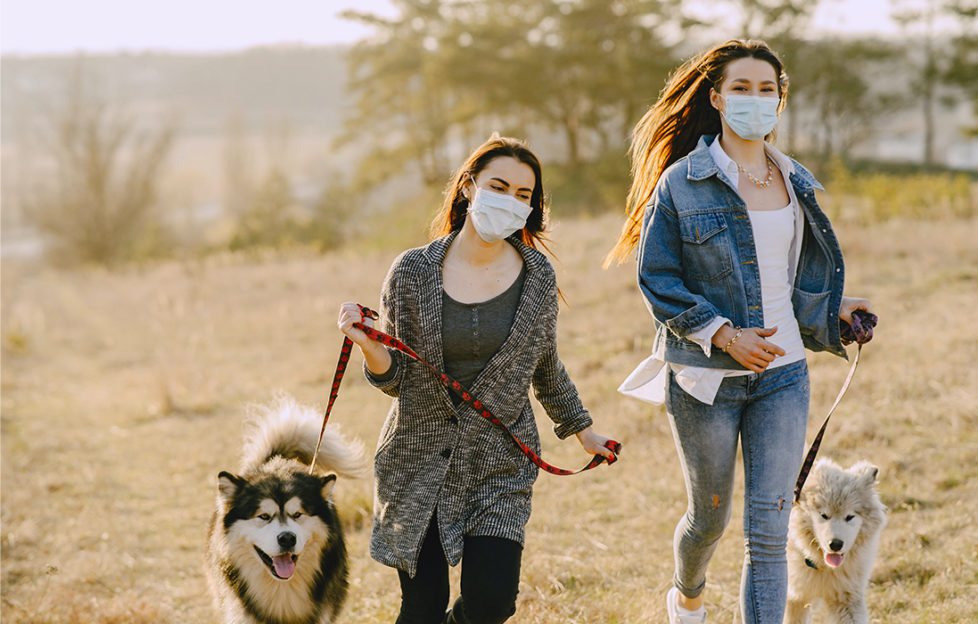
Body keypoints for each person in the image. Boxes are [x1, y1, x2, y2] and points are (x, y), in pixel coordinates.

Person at [607, 40, 874, 624]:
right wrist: (725, 335)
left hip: (784, 378)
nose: (755, 100)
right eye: (741, 88)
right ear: (717, 97)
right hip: (706, 380)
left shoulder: (795, 181)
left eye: (766, 90)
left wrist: (836, 310)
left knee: (768, 528)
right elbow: (657, 279)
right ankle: (688, 596)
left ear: (781, 100)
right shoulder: (682, 183)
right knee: (709, 519)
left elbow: (784, 277)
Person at [338, 135, 617, 624]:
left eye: (523, 194)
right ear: (469, 187)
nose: (510, 200)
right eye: (499, 186)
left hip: (498, 464)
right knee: (421, 608)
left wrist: (582, 431)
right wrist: (368, 346)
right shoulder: (412, 271)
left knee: (492, 603)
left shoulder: (538, 277)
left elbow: (545, 365)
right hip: (418, 461)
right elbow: (394, 379)